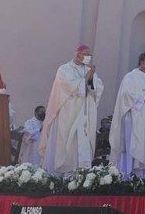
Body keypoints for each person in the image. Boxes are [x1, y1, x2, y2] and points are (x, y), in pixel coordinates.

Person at [39, 45, 104, 175]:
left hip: (84, 115)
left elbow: (96, 88)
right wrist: (87, 77)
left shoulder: (89, 70)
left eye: (89, 55)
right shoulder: (64, 69)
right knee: (64, 145)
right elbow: (69, 87)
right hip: (67, 114)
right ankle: (58, 175)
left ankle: (78, 176)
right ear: (78, 55)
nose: (88, 58)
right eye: (86, 55)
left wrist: (90, 79)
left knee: (81, 145)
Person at [109, 52, 145, 180]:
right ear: (142, 62)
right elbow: (126, 95)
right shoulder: (130, 77)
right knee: (133, 146)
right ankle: (130, 178)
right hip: (134, 117)